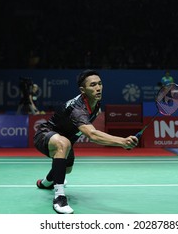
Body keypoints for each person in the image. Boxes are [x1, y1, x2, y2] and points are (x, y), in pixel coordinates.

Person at [33, 69, 139, 214]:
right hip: (44, 135)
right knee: (63, 144)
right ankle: (59, 198)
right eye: (93, 85)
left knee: (66, 170)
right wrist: (122, 141)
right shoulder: (77, 109)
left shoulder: (95, 104)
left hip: (65, 140)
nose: (98, 88)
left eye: (100, 84)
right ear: (83, 90)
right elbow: (93, 135)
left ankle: (46, 183)